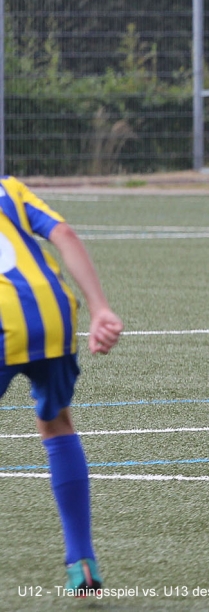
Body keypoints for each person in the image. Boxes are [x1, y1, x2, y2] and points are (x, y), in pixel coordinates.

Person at [0, 176, 124, 595]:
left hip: (3, 320)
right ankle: (81, 559)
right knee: (56, 423)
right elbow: (65, 234)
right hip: (54, 311)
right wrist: (100, 308)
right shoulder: (8, 188)